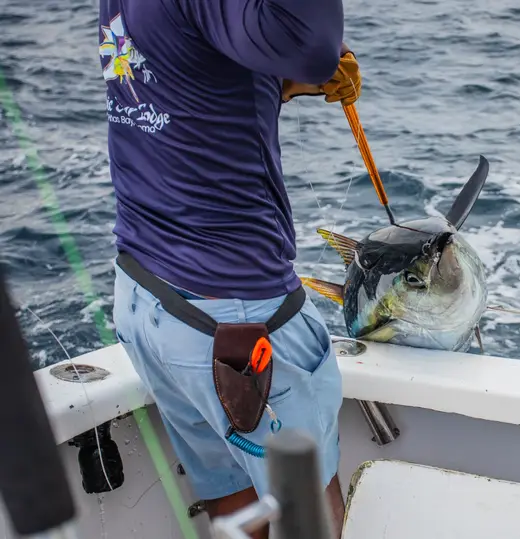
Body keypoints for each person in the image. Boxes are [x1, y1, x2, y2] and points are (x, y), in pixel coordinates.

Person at [99, 0, 360, 537]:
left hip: (150, 301)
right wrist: (306, 64)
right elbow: (314, 45)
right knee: (311, 521)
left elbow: (179, 65)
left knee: (237, 509)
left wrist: (283, 82)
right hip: (237, 326)